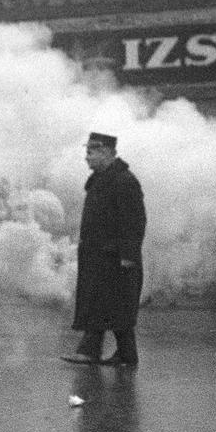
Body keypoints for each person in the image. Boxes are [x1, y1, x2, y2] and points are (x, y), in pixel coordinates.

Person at [62, 131, 145, 368]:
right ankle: (121, 355)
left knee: (111, 306)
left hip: (114, 258)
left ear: (106, 152)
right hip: (99, 256)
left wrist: (128, 256)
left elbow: (134, 221)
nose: (86, 158)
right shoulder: (103, 179)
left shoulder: (124, 181)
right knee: (107, 306)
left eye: (90, 152)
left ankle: (95, 351)